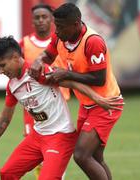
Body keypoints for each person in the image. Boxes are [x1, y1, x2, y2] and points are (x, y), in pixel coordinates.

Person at [0, 36, 123, 180]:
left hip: (60, 136)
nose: (0, 71)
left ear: (15, 57)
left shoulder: (37, 72)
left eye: (2, 65)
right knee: (7, 173)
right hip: (37, 136)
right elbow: (5, 118)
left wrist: (98, 99)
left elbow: (72, 83)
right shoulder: (12, 86)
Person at [29, 3, 124, 180]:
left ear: (76, 24)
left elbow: (99, 79)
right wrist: (38, 61)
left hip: (105, 104)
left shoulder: (92, 41)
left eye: (61, 27)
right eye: (56, 26)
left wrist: (66, 74)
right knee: (95, 157)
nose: (56, 31)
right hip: (87, 104)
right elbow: (48, 55)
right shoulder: (61, 38)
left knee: (81, 155)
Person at [19, 4, 70, 179]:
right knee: (38, 157)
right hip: (34, 108)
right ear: (32, 21)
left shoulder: (62, 42)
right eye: (37, 17)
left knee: (54, 155)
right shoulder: (24, 44)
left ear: (52, 20)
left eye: (45, 17)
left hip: (58, 107)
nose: (41, 21)